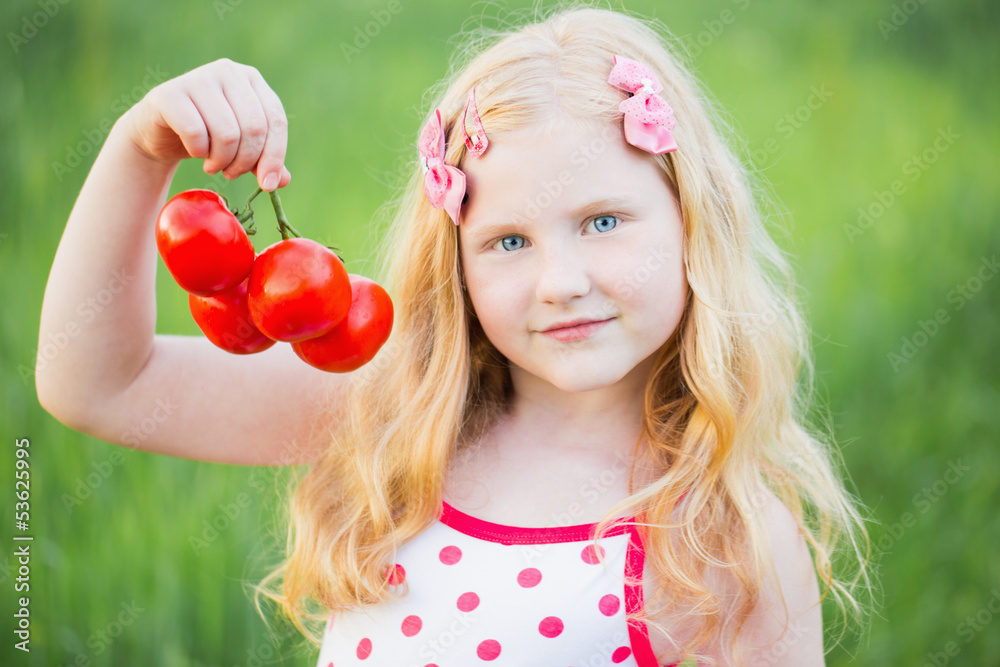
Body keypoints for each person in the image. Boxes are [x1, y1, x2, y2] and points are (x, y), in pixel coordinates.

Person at [36, 4, 871, 666]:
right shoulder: (393, 416)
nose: (560, 281)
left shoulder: (719, 536)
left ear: (695, 223)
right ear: (458, 261)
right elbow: (101, 384)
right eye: (509, 241)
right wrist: (140, 149)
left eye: (604, 220)